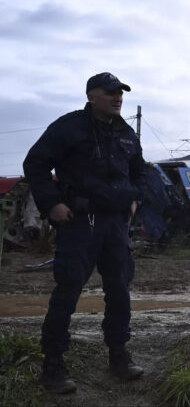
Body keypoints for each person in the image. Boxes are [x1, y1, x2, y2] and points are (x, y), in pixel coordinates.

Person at [23, 72, 146, 393]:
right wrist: (52, 204)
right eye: (110, 93)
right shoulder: (69, 127)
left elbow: (141, 173)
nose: (117, 98)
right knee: (68, 291)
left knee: (119, 290)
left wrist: (135, 199)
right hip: (79, 222)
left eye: (120, 93)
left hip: (116, 225)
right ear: (92, 96)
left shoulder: (127, 134)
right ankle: (53, 366)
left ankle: (119, 357)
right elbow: (35, 164)